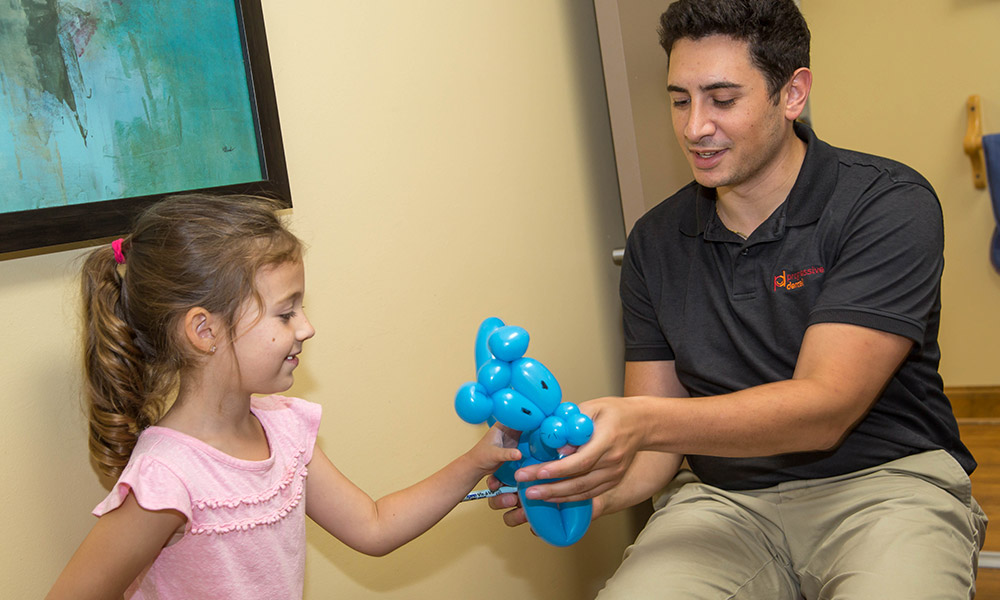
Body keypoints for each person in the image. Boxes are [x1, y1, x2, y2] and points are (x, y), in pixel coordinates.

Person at [490, 0, 987, 597]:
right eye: (680, 99)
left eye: (722, 99)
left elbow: (825, 410)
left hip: (885, 487)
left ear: (793, 93)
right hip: (725, 504)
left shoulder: (885, 204)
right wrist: (580, 488)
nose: (694, 126)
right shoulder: (653, 242)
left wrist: (641, 421)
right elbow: (655, 453)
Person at [46, 194, 520, 600]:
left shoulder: (284, 428)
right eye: (285, 312)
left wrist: (477, 460)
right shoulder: (167, 479)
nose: (307, 327)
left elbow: (374, 526)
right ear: (204, 330)